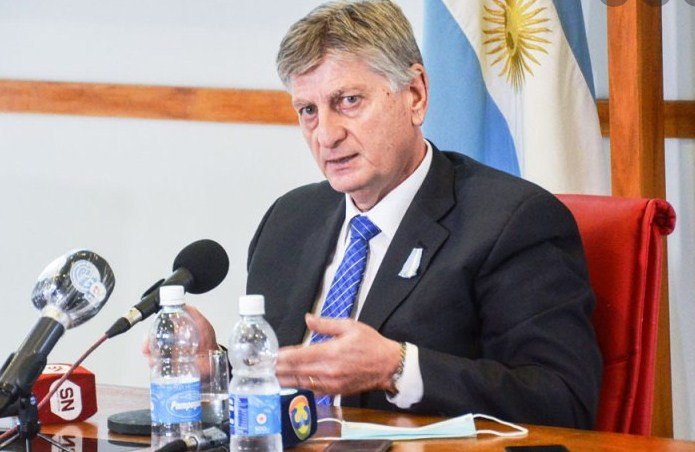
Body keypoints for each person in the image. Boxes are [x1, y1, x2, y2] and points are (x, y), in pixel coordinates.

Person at [193, 0, 601, 429]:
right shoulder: (290, 219)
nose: (326, 135)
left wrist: (398, 368)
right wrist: (214, 366)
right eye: (308, 111)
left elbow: (563, 399)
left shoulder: (511, 222)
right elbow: (284, 382)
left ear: (415, 96)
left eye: (348, 101)